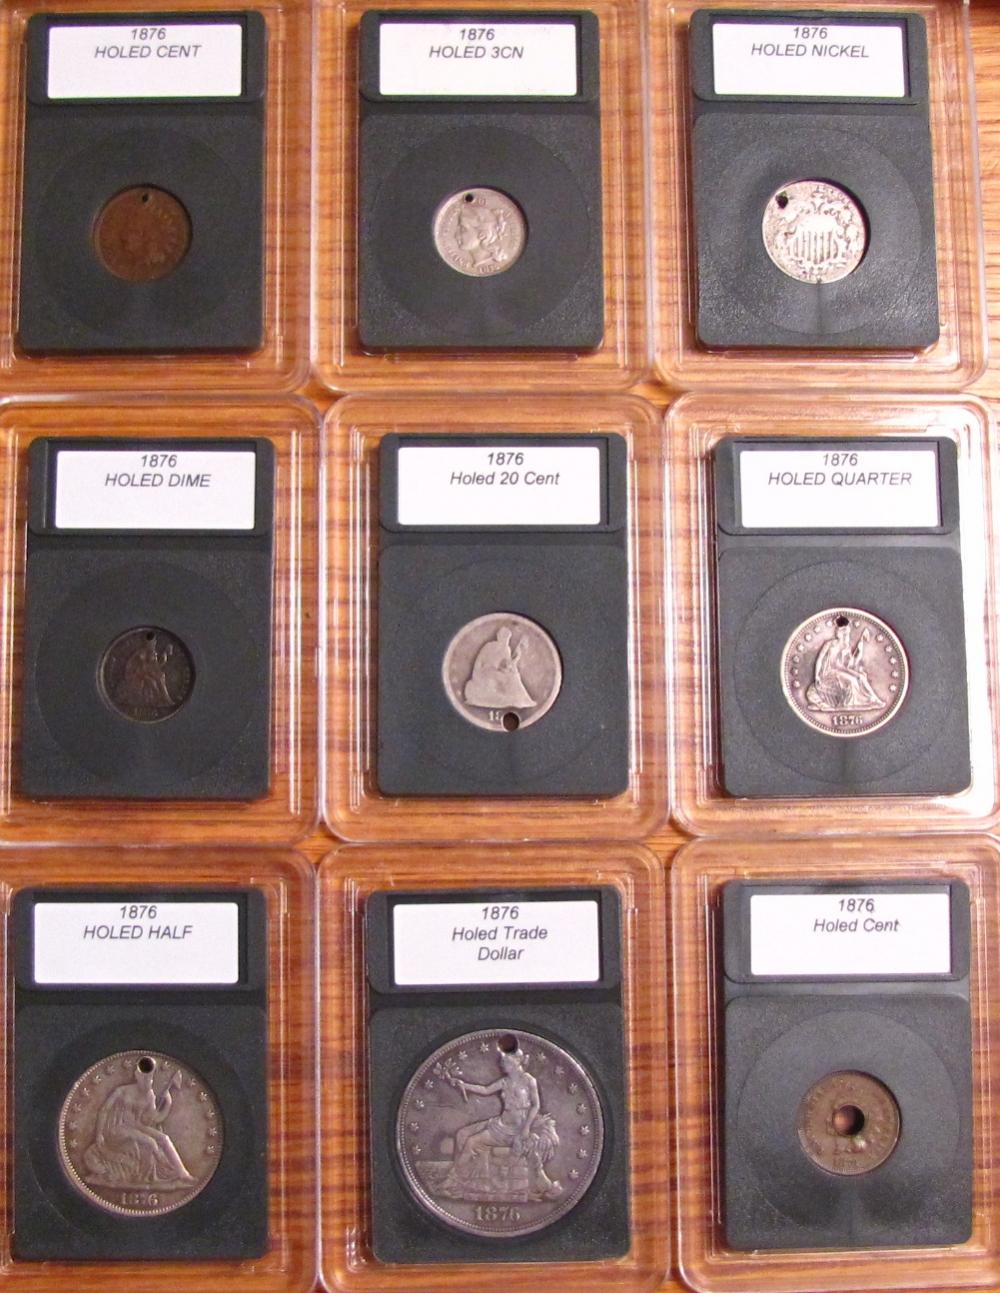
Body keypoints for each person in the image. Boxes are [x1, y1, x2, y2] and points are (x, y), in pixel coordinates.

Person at [441, 1045, 562, 1200]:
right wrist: (465, 1085)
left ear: (516, 1062)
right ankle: (454, 1181)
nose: (501, 1065)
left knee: (528, 1150)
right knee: (471, 1141)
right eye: (502, 1062)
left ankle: (544, 1185)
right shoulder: (504, 1082)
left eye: (505, 1062)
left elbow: (535, 1105)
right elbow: (485, 1090)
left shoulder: (529, 1080)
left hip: (519, 1128)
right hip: (500, 1127)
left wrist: (526, 1128)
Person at [82, 1060, 195, 1188]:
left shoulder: (150, 1095)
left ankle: (183, 1174)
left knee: (164, 1138)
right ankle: (157, 1169)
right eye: (145, 1079)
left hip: (136, 1126)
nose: (148, 1083)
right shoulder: (122, 1091)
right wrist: (99, 1134)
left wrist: (167, 1103)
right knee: (150, 1142)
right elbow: (104, 1110)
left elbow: (154, 1119)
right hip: (117, 1128)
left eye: (150, 1080)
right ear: (137, 1076)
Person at [806, 621, 884, 713]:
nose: (846, 636)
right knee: (852, 680)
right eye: (844, 634)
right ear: (838, 634)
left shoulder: (846, 648)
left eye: (847, 634)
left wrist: (861, 644)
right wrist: (816, 676)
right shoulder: (830, 644)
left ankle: (873, 699)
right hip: (829, 672)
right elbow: (819, 659)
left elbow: (851, 664)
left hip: (840, 669)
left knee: (861, 676)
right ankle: (851, 703)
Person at [464, 626, 535, 710]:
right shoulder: (490, 646)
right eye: (503, 636)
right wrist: (476, 674)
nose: (505, 639)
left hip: (498, 673)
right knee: (507, 677)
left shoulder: (507, 649)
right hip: (486, 672)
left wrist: (516, 658)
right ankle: (514, 698)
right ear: (498, 636)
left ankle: (521, 698)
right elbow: (479, 661)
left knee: (513, 676)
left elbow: (507, 665)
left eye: (507, 637)